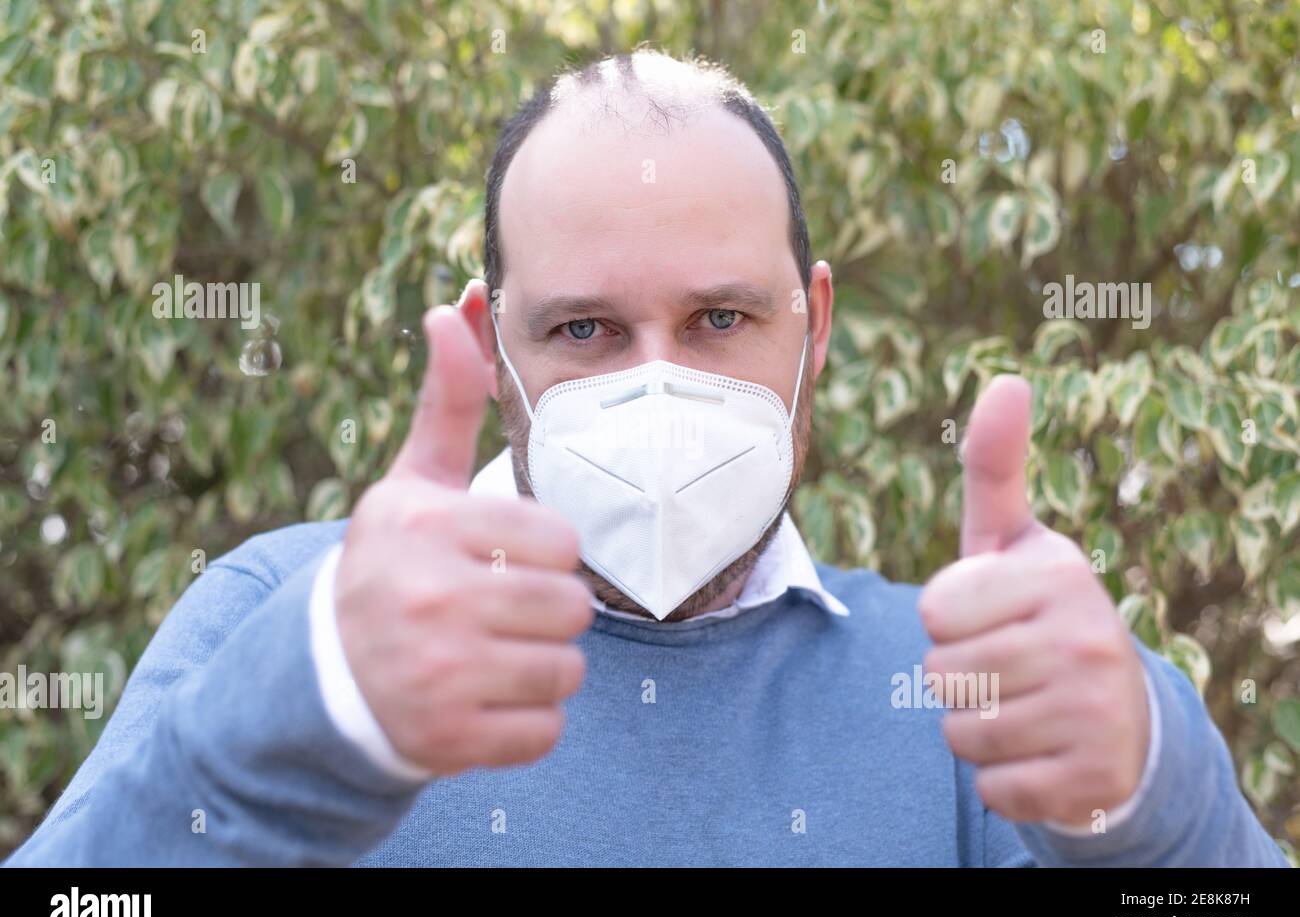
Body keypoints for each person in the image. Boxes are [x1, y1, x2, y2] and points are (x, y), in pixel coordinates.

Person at [6, 49, 1287, 867]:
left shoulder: (955, 686)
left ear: (815, 329)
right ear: (485, 344)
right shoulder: (283, 619)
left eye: (719, 320)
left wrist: (1152, 798)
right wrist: (281, 740)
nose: (657, 383)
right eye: (584, 330)